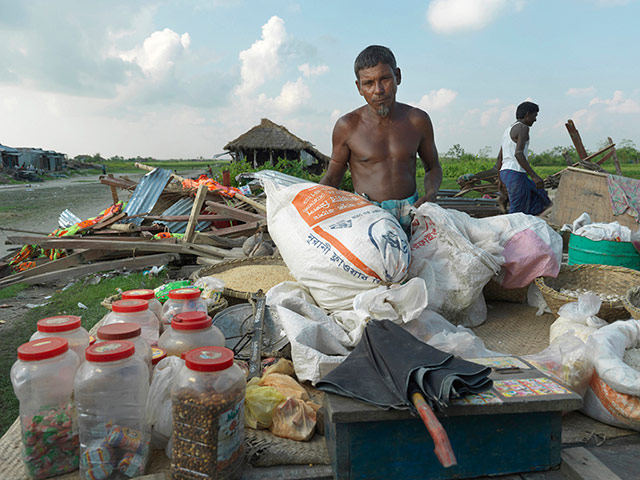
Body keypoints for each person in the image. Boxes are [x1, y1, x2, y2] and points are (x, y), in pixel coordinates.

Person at [320, 45, 442, 234]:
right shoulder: (347, 126)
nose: (378, 90)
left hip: (412, 213)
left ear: (398, 77)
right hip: (366, 216)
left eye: (384, 79)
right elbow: (333, 177)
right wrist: (314, 207)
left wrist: (431, 194)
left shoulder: (418, 120)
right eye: (368, 83)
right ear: (359, 87)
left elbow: (433, 167)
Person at [496, 101, 551, 215]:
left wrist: (500, 179)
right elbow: (518, 154)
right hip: (516, 173)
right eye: (534, 116)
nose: (535, 120)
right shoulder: (523, 128)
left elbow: (499, 158)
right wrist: (534, 176)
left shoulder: (507, 130)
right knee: (517, 213)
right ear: (527, 115)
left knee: (540, 192)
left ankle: (504, 200)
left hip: (506, 172)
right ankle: (511, 230)